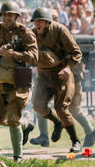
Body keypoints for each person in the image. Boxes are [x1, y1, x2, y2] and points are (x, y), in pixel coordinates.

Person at [0, 1, 38, 161]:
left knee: (13, 119)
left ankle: (17, 157)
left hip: (19, 81)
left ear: (16, 16)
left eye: (10, 14)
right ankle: (26, 126)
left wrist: (14, 54)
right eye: (4, 14)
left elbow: (34, 56)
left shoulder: (24, 32)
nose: (7, 17)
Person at [30, 8, 83, 153]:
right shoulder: (32, 33)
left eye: (40, 21)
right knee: (37, 106)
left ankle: (75, 141)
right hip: (43, 75)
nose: (37, 24)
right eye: (35, 21)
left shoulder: (60, 30)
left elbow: (76, 53)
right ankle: (57, 123)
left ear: (47, 22)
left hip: (61, 74)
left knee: (61, 108)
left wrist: (68, 68)